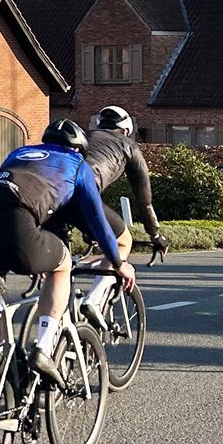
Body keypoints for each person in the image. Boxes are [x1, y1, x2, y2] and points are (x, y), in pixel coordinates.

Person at [0, 120, 135, 384]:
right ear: (79, 149)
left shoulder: (17, 154)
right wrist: (117, 262)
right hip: (19, 229)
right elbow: (98, 223)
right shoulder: (78, 165)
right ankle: (43, 347)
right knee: (62, 262)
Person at [67, 106, 169, 328]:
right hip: (84, 195)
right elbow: (145, 200)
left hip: (54, 192)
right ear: (125, 131)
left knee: (60, 262)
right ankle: (92, 300)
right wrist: (155, 234)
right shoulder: (130, 147)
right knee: (123, 242)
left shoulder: (85, 137)